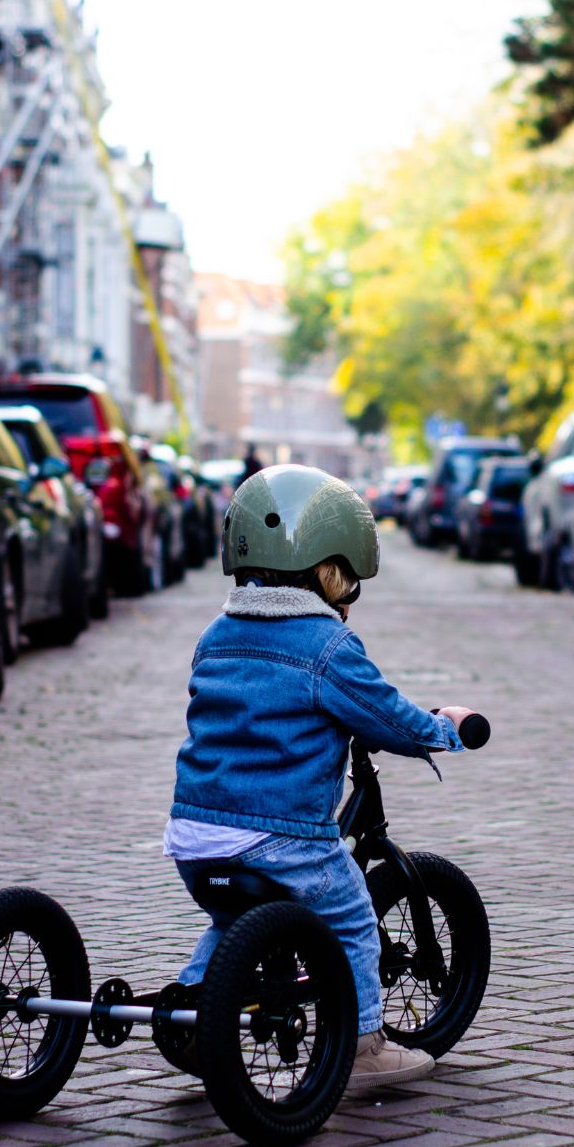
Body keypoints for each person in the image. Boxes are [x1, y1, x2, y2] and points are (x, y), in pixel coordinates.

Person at [164, 464, 475, 1089]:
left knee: (232, 921)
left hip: (194, 836)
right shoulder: (326, 646)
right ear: (331, 566)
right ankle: (363, 1042)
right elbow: (387, 717)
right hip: (280, 837)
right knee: (354, 915)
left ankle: (194, 1018)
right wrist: (444, 729)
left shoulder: (216, 635)